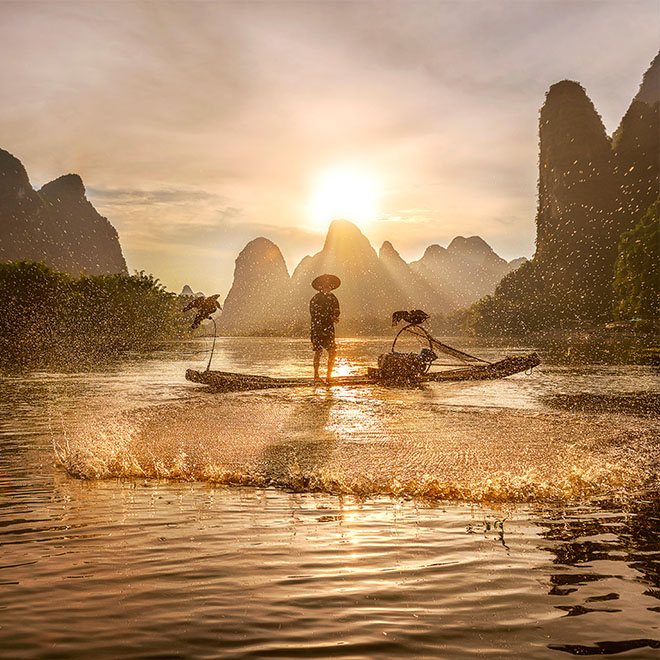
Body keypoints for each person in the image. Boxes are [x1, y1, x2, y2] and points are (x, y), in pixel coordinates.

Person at [310, 274, 341, 382]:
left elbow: (337, 310)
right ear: (320, 287)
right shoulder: (315, 298)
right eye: (324, 286)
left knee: (332, 351)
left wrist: (335, 316)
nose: (327, 288)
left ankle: (329, 375)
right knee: (318, 351)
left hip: (328, 328)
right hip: (317, 328)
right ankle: (316, 375)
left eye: (329, 286)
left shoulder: (333, 298)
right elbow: (315, 314)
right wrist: (329, 317)